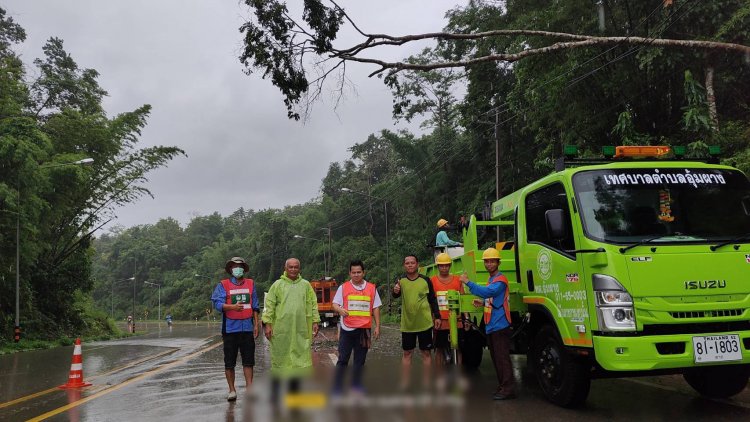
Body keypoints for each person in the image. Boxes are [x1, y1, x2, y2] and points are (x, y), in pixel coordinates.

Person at [460, 247, 516, 400]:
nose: (489, 264)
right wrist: (483, 302)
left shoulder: (500, 280)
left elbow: (488, 292)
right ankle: (503, 386)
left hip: (500, 325)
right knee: (496, 358)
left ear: (498, 262)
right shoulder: (491, 279)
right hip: (492, 325)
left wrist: (468, 282)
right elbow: (491, 298)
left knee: (502, 358)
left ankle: (508, 389)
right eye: (487, 261)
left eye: (492, 261)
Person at [262, 258, 320, 399]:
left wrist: (315, 321)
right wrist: (268, 324)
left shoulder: (306, 285)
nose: (293, 270)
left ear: (299, 268)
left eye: (296, 267)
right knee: (279, 361)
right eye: (290, 267)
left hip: (300, 330)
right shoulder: (277, 285)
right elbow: (269, 305)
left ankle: (294, 395)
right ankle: (275, 395)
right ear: (285, 268)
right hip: (281, 331)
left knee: (297, 363)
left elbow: (313, 304)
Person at [211, 256, 260, 401]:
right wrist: (232, 307)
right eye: (234, 266)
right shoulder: (223, 285)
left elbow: (255, 306)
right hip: (230, 329)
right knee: (229, 361)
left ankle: (249, 388)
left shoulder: (251, 284)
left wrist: (256, 324)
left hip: (247, 328)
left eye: (240, 266)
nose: (237, 268)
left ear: (244, 269)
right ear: (230, 269)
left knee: (249, 360)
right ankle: (232, 390)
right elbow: (217, 304)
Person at [331, 260, 382, 395]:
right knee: (343, 359)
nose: (356, 275)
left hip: (364, 329)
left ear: (363, 272)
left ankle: (356, 385)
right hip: (347, 329)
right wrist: (339, 310)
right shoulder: (343, 287)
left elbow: (375, 307)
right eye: (353, 272)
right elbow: (334, 304)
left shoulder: (371, 288)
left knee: (360, 360)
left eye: (359, 272)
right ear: (349, 273)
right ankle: (337, 387)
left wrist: (377, 326)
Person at [392, 255, 441, 390]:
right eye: (407, 263)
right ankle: (406, 381)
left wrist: (437, 316)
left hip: (425, 323)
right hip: (408, 324)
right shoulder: (400, 281)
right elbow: (395, 294)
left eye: (412, 263)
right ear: (404, 265)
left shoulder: (425, 280)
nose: (410, 265)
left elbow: (432, 299)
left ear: (417, 264)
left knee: (426, 352)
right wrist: (395, 290)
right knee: (407, 353)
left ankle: (426, 381)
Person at [430, 253, 466, 386]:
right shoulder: (432, 281)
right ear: (438, 266)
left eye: (446, 265)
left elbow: (463, 301)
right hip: (440, 322)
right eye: (441, 266)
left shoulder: (457, 280)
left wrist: (465, 319)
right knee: (439, 349)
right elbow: (431, 303)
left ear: (450, 266)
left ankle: (457, 375)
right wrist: (433, 319)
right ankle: (440, 376)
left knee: (458, 348)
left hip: (457, 322)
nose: (444, 268)